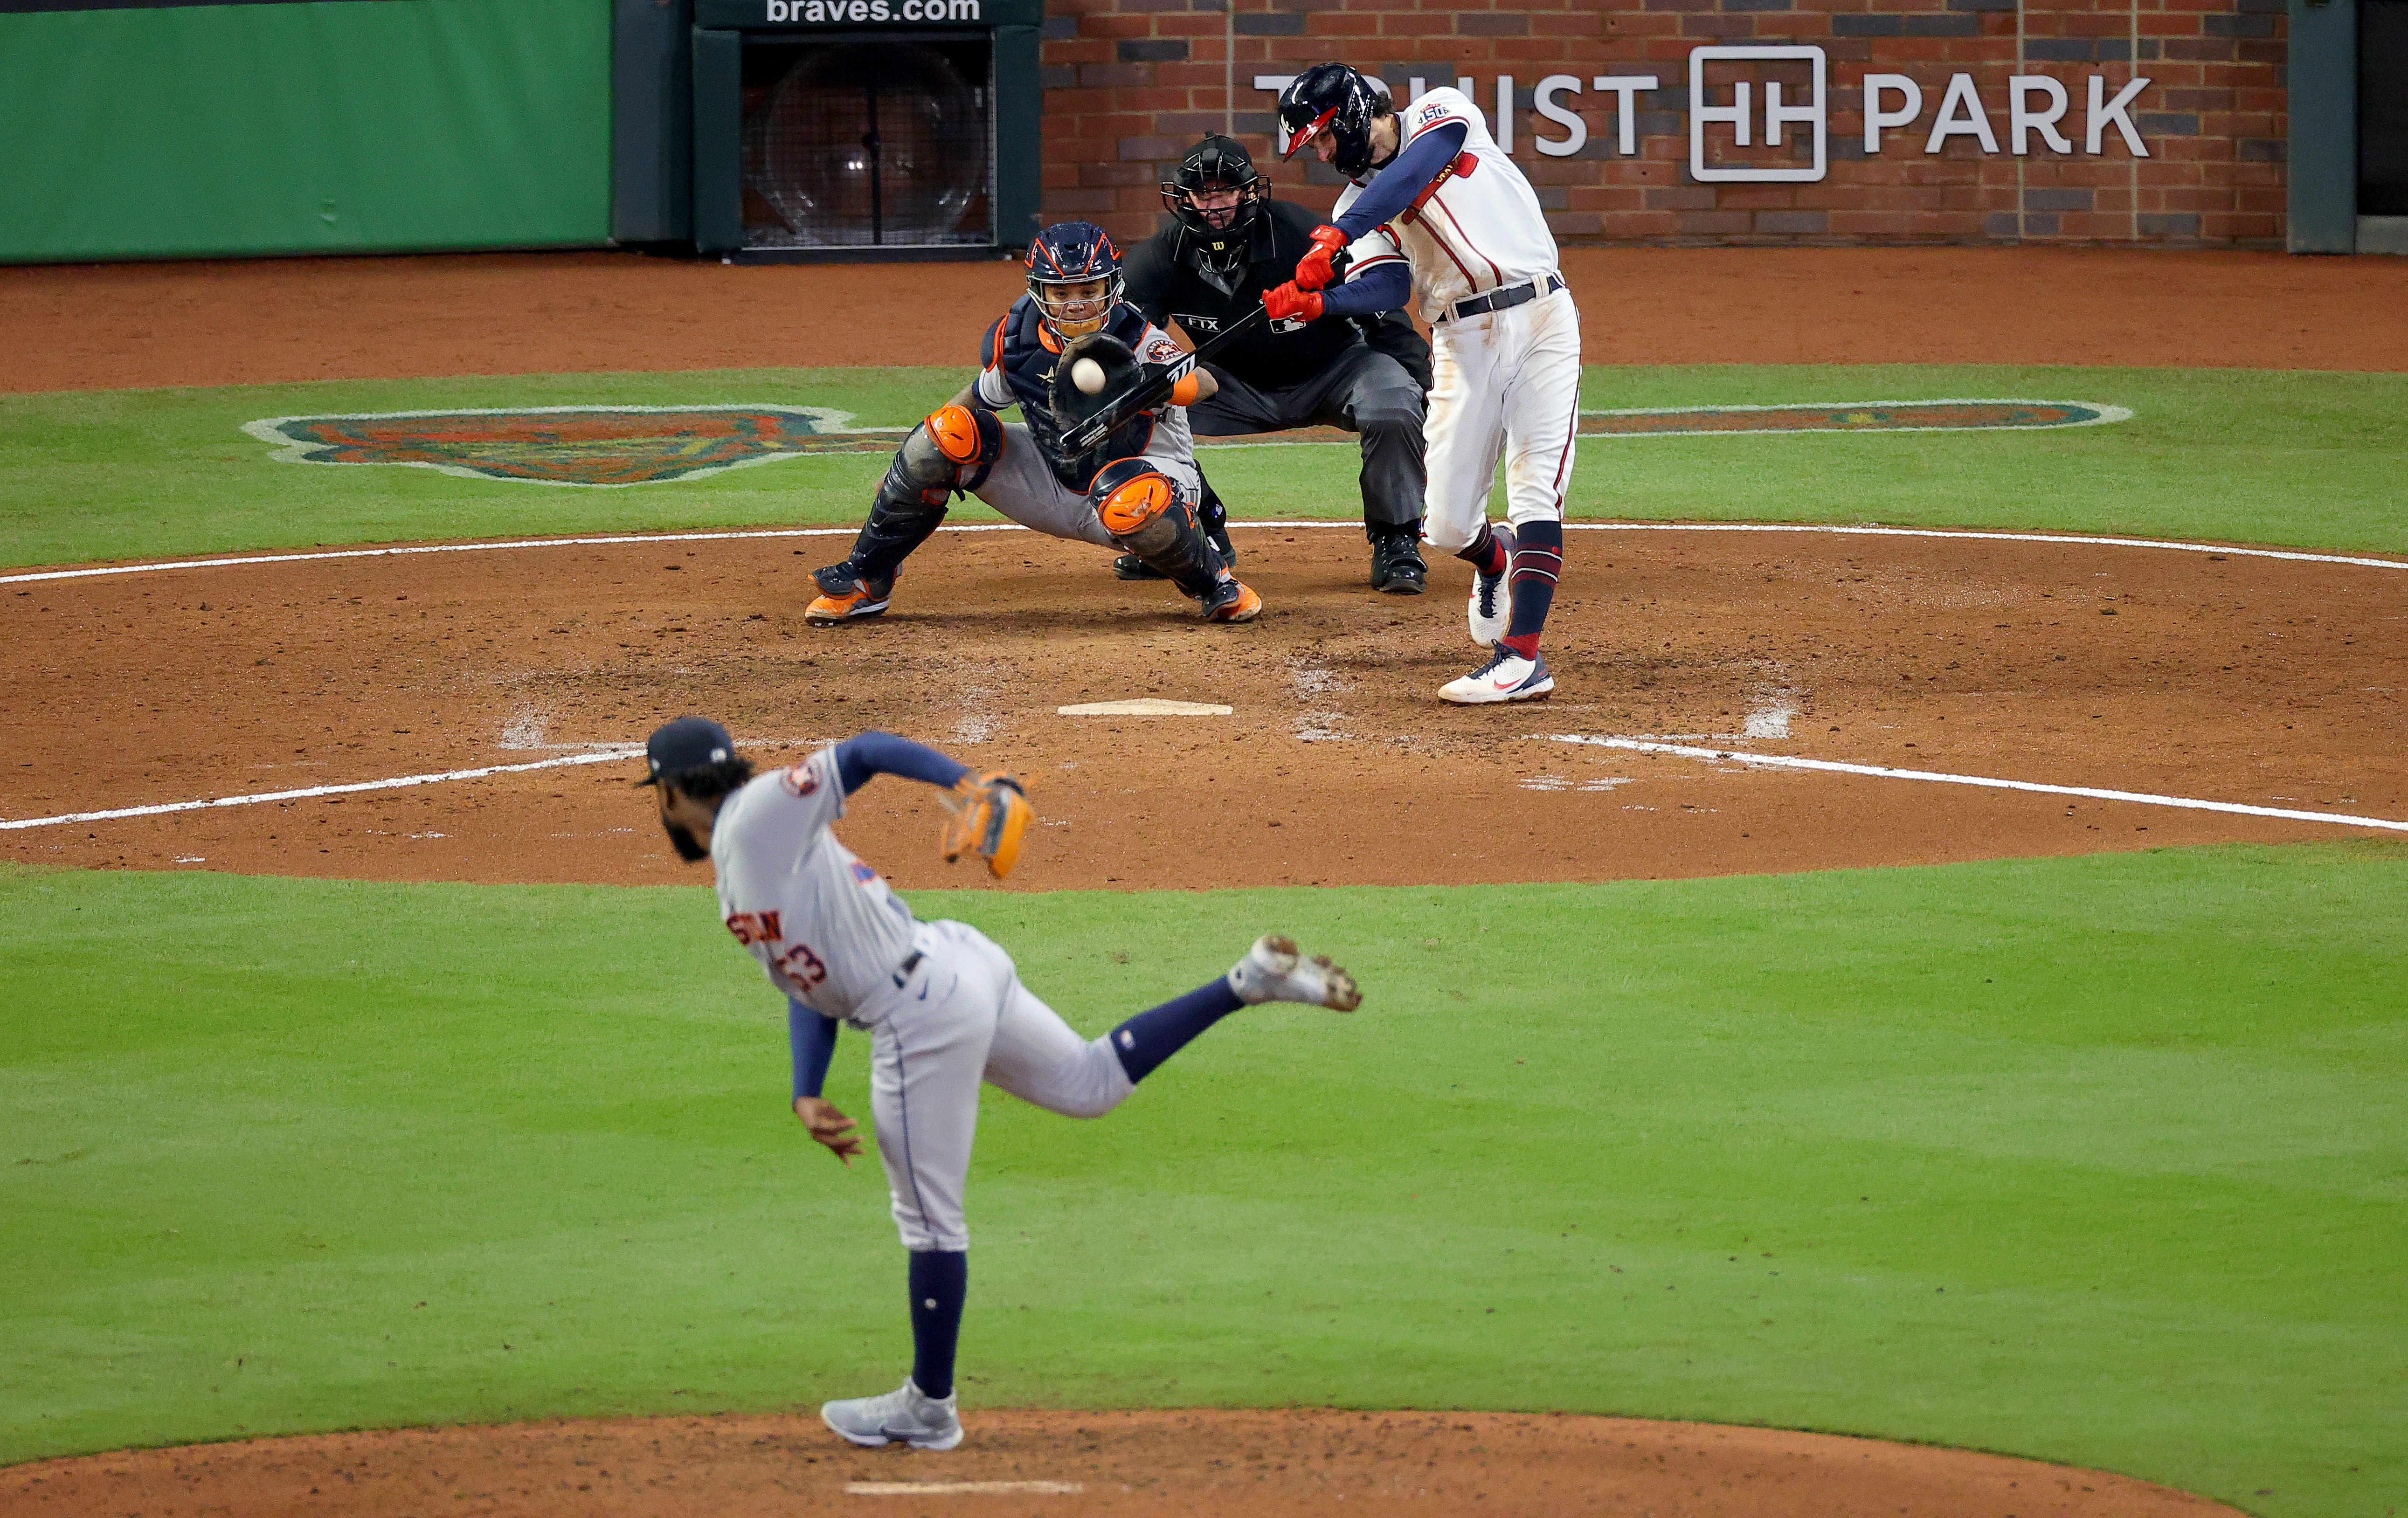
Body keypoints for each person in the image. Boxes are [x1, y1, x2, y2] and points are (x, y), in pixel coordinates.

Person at [638, 716, 1362, 1451]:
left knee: (930, 1225)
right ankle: (1249, 984)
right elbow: (808, 983)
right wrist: (806, 1087)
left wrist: (966, 783)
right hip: (954, 967)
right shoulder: (748, 857)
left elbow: (862, 751)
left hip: (917, 1014)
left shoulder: (758, 812)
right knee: (1090, 1084)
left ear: (668, 793)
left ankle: (928, 1406)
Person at [1274, 65, 1581, 704]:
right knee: (1442, 525)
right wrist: (1319, 303)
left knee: (1534, 489)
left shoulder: (1440, 113)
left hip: (1542, 318)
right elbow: (1390, 287)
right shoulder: (1353, 207)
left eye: (1325, 137)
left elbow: (1415, 171)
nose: (1324, 154)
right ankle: (1494, 564)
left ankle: (1522, 658)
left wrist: (1341, 233)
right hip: (1463, 341)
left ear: (1357, 112)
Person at [805, 220, 1263, 627]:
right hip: (1055, 479)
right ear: (1039, 292)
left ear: (1111, 287)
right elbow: (975, 401)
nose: (1076, 306)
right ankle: (868, 578)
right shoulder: (1020, 338)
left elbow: (1204, 382)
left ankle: (1214, 584)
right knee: (945, 433)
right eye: (1062, 294)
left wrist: (1166, 386)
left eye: (1088, 291)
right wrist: (911, 457)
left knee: (1129, 494)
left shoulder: (1137, 336)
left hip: (1150, 478)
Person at [1118, 134, 1435, 593]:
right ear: (1184, 198)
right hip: (1231, 385)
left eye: (1226, 191)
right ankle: (1190, 542)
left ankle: (1397, 540)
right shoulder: (1159, 257)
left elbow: (1376, 307)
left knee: (1394, 400)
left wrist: (1421, 382)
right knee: (1134, 410)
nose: (1215, 204)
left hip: (1336, 369)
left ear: (1248, 192)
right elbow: (1126, 335)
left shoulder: (1297, 234)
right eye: (1203, 193)